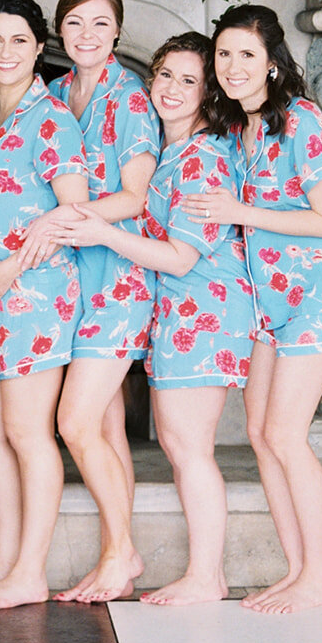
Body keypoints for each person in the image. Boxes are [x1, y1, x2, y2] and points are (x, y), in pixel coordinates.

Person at [56, 33, 256, 604]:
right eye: (165, 74)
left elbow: (182, 256)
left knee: (189, 447)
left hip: (205, 311)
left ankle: (206, 576)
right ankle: (162, 563)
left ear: (207, 92)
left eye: (189, 80)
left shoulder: (205, 157)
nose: (171, 88)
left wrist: (101, 232)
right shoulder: (170, 153)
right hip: (176, 313)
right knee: (176, 443)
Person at [183, 4, 322, 615]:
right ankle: (297, 572)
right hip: (269, 299)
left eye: (247, 56)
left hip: (316, 294)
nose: (233, 67)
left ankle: (321, 577)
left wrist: (239, 213)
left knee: (286, 434)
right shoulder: (241, 129)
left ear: (272, 65)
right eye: (225, 54)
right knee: (260, 434)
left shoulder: (302, 122)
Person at [22, 0, 159, 603]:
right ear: (59, 32)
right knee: (101, 426)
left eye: (100, 24)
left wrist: (62, 221)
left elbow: (135, 197)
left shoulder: (129, 99)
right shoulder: (49, 93)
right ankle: (115, 552)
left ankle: (122, 550)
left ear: (117, 33)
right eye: (75, 23)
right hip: (67, 284)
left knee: (74, 422)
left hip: (118, 280)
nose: (86, 35)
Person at [0, 0, 89, 610]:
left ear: (39, 48)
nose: (5, 52)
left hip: (30, 293)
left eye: (18, 40)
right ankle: (6, 559)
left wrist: (10, 266)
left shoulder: (51, 118)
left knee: (26, 431)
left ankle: (31, 570)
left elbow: (74, 209)